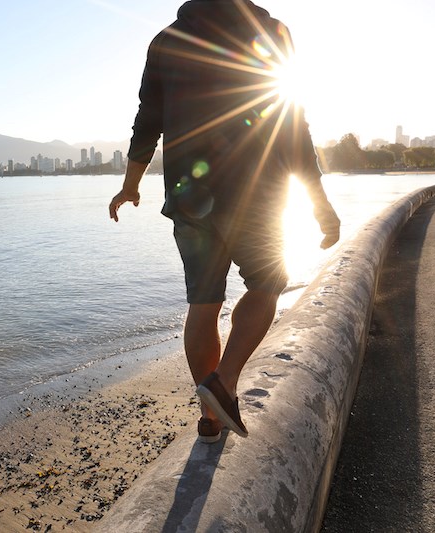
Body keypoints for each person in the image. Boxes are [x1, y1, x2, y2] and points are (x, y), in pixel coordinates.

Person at [109, 0, 340, 443]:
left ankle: (210, 419)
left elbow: (147, 122)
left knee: (203, 302)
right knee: (267, 284)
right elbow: (292, 121)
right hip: (255, 189)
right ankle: (224, 382)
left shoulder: (165, 41)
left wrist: (131, 185)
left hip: (188, 195)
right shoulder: (272, 31)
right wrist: (318, 201)